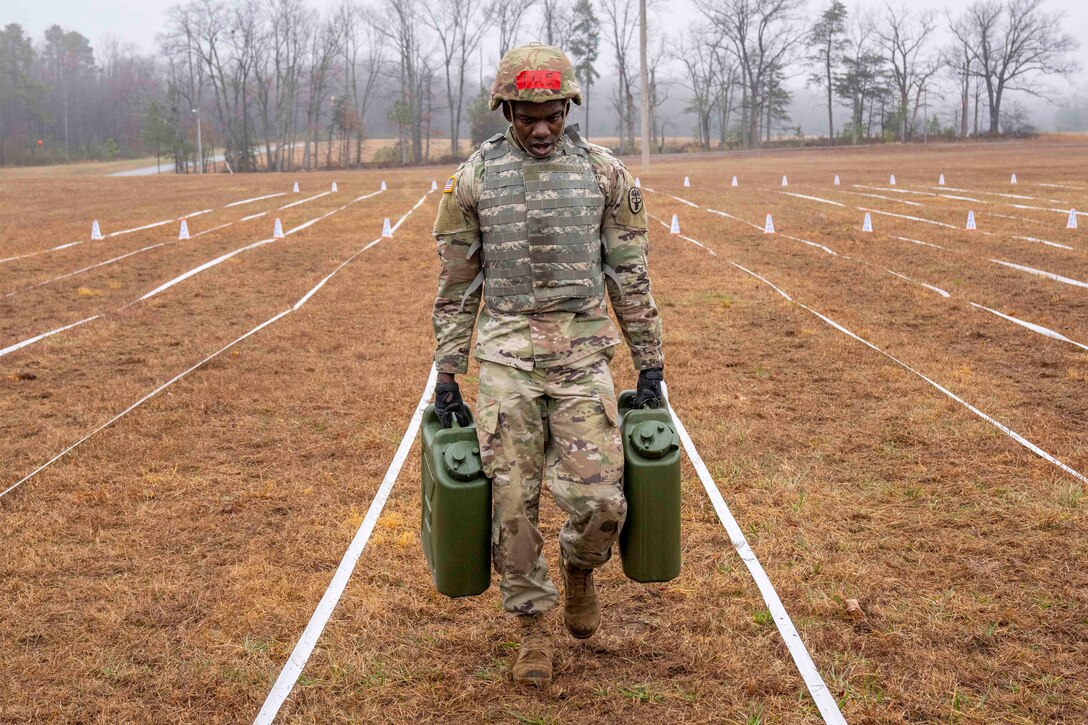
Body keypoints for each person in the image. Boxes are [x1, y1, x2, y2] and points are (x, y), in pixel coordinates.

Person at [430, 43, 664, 686]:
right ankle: (532, 628)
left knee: (603, 503)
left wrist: (649, 363)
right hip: (507, 360)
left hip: (583, 358)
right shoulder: (473, 179)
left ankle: (580, 569)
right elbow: (457, 286)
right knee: (511, 503)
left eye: (553, 115)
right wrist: (448, 373)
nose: (540, 129)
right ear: (506, 108)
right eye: (527, 115)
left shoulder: (603, 173)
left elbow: (630, 273)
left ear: (568, 109)